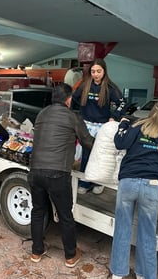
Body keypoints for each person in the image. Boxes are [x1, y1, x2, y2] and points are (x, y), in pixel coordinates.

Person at [109, 98, 158, 279]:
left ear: (153, 111)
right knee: (147, 234)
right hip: (152, 188)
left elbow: (120, 142)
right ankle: (144, 275)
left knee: (122, 229)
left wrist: (124, 124)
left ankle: (118, 274)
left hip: (128, 182)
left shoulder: (137, 126)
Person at [28, 83, 94, 268]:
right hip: (57, 173)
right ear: (68, 99)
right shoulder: (72, 116)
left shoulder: (41, 114)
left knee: (38, 211)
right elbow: (87, 142)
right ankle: (71, 256)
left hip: (35, 172)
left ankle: (36, 251)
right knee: (65, 215)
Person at [71, 58, 126, 195]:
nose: (96, 74)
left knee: (101, 156)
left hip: (102, 127)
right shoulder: (84, 85)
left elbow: (123, 103)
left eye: (99, 71)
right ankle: (84, 182)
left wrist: (115, 116)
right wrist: (74, 114)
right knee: (86, 155)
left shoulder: (110, 88)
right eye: (93, 71)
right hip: (86, 126)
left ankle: (99, 183)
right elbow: (74, 98)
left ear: (104, 71)